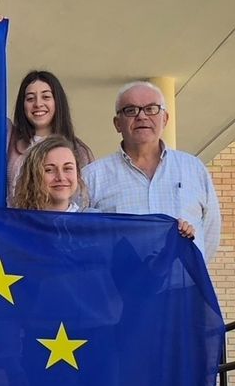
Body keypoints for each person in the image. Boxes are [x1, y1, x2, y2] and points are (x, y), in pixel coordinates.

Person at [82, 80, 221, 261]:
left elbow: (210, 232)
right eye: (130, 110)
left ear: (165, 119)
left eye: (151, 109)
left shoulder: (193, 169)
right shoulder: (92, 177)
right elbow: (80, 237)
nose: (142, 116)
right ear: (117, 124)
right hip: (120, 287)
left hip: (183, 286)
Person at [6, 71, 93, 188]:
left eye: (46, 97)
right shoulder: (9, 139)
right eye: (30, 98)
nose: (38, 104)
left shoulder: (79, 151)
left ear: (57, 102)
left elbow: (86, 196)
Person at [8, 137, 86, 213]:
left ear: (77, 174)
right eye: (49, 170)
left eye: (67, 168)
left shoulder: (93, 222)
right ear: (33, 176)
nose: (61, 177)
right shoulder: (17, 222)